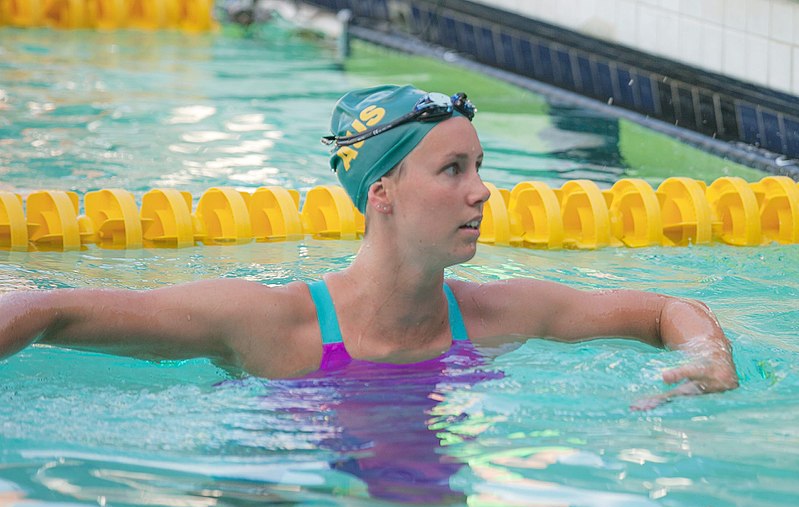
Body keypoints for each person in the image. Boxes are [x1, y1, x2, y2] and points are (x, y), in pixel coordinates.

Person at [0, 85, 738, 409]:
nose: (480, 192)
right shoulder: (269, 323)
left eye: (480, 168)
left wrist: (705, 354)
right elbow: (47, 310)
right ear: (379, 192)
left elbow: (668, 308)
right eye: (453, 169)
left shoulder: (495, 314)